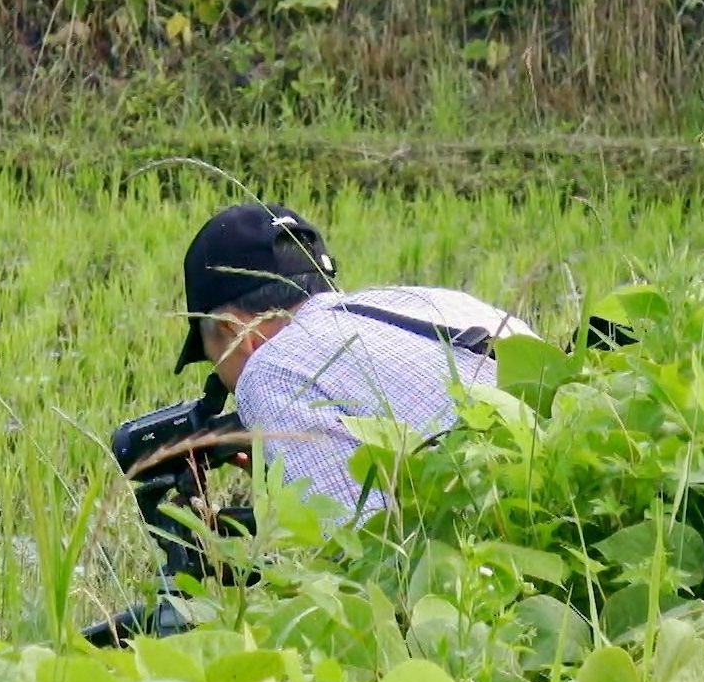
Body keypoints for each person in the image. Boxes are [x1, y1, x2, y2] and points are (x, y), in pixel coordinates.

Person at [175, 201, 537, 517]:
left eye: (215, 364)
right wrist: (291, 470)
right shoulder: (433, 302)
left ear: (236, 331)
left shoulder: (268, 371)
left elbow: (370, 553)